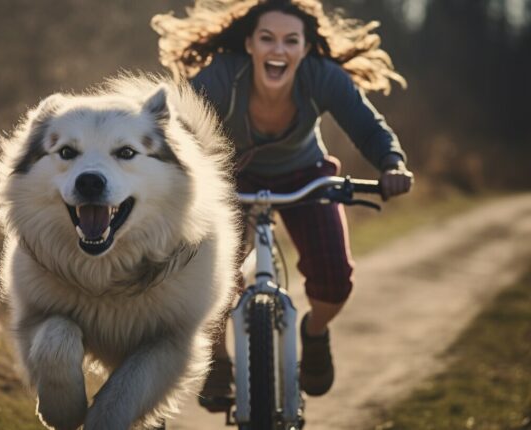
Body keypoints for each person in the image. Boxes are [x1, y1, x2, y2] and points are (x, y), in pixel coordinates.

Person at [151, 0, 414, 410]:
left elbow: (366, 125)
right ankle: (218, 361)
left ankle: (313, 332)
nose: (279, 50)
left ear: (305, 49)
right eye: (267, 39)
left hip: (305, 175)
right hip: (231, 176)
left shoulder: (322, 77)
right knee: (209, 276)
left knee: (334, 279)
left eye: (291, 41)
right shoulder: (223, 76)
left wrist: (392, 164)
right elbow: (178, 127)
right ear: (251, 45)